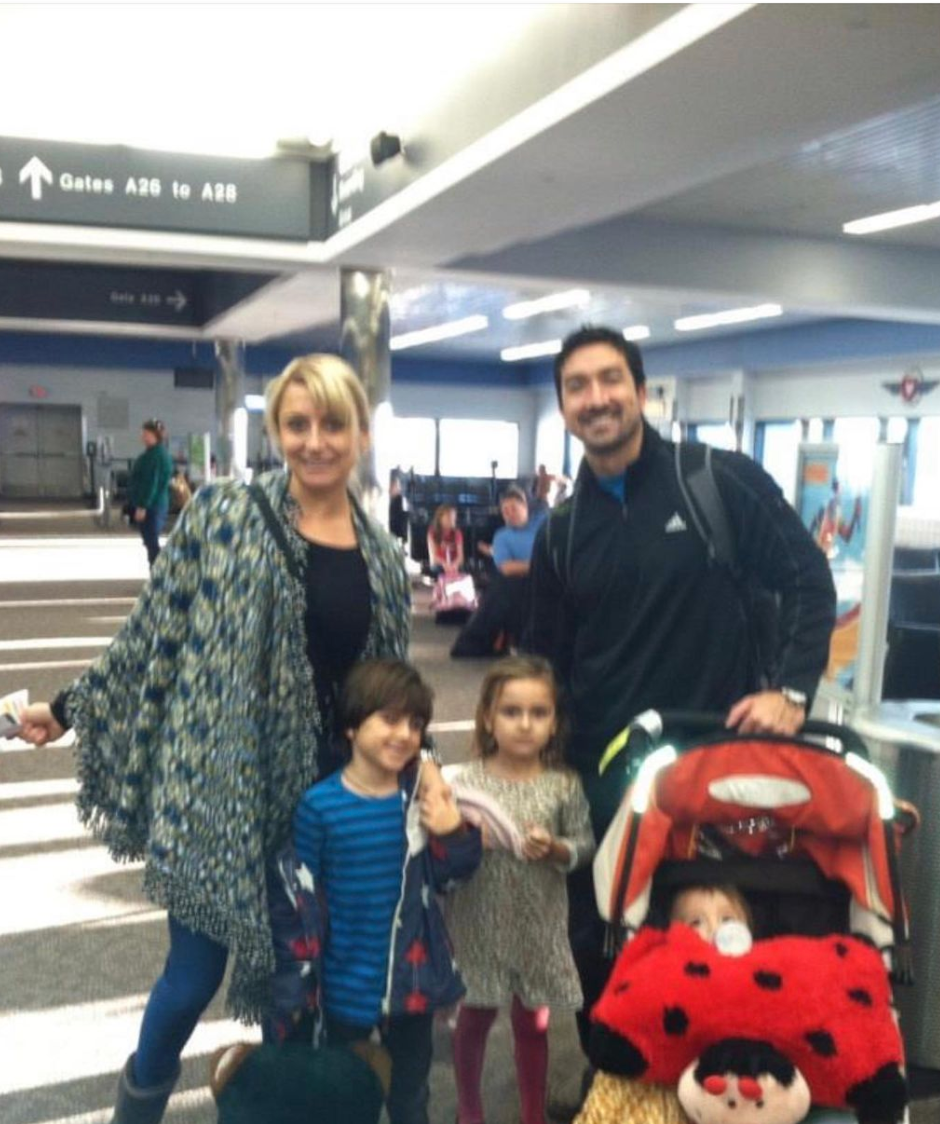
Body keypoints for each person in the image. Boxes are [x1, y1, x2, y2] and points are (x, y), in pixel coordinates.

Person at [17, 354, 410, 1124]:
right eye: (297, 424)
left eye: (333, 424)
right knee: (192, 978)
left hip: (331, 801)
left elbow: (390, 693)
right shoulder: (226, 516)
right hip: (221, 787)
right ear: (277, 431)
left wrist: (414, 774)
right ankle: (139, 1106)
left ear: (360, 433)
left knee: (302, 983)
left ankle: (283, 1109)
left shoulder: (384, 558)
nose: (315, 441)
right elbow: (152, 630)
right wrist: (68, 707)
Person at [523, 325, 837, 1065]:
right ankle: (617, 1084)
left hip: (717, 761)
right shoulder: (562, 532)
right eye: (577, 387)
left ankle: (720, 1086)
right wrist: (533, 761)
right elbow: (543, 662)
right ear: (565, 407)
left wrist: (791, 691)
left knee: (716, 929)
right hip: (605, 773)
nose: (596, 399)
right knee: (601, 936)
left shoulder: (716, 482)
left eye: (609, 380)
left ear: (639, 390)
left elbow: (807, 581)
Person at [294, 659, 482, 1124]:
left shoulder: (419, 800)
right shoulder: (319, 807)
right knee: (346, 1100)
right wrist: (299, 994)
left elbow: (453, 877)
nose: (404, 734)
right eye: (390, 719)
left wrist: (453, 830)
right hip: (343, 989)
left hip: (410, 992)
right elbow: (300, 905)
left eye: (416, 724)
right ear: (353, 726)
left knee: (410, 1099)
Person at [445, 655, 595, 1124]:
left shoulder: (563, 785)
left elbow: (586, 846)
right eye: (512, 712)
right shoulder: (463, 781)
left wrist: (555, 848)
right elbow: (434, 852)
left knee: (533, 1022)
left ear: (554, 722)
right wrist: (464, 840)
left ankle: (533, 1111)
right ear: (489, 717)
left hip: (538, 922)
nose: (525, 725)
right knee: (474, 1018)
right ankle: (470, 1108)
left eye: (539, 713)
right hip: (477, 920)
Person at [452, 487, 546, 657]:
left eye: (513, 509)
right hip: (520, 584)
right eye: (505, 511)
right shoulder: (502, 536)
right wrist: (542, 565)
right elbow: (507, 568)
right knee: (506, 586)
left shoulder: (545, 524)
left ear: (525, 507)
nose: (509, 514)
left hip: (551, 580)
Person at [127, 418, 173, 567]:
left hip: (152, 506)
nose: (143, 436)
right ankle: (158, 573)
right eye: (143, 433)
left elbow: (151, 483)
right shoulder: (154, 454)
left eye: (146, 433)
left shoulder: (155, 456)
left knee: (152, 542)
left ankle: (159, 574)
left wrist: (142, 506)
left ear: (156, 435)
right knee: (150, 542)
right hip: (154, 505)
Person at [427, 502, 465, 574]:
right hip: (439, 565)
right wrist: (445, 564)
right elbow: (433, 557)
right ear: (440, 518)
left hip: (454, 564)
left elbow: (460, 557)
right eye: (448, 516)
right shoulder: (432, 532)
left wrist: (454, 565)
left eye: (453, 517)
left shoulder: (457, 532)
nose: (451, 519)